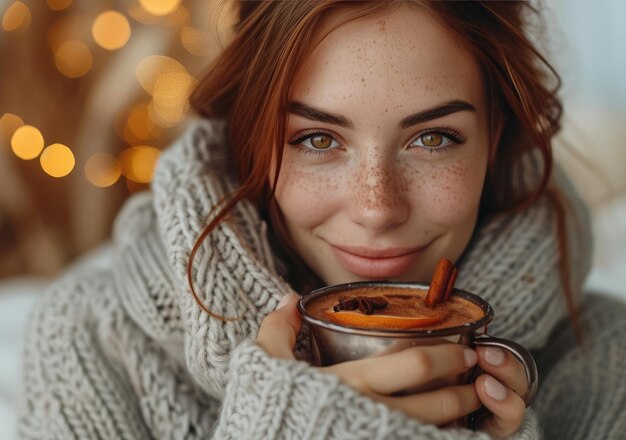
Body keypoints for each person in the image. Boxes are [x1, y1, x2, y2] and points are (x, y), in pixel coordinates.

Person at [18, 1, 626, 439]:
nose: (376, 208)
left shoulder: (608, 359)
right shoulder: (87, 342)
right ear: (252, 142)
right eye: (315, 139)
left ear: (494, 139)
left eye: (434, 137)